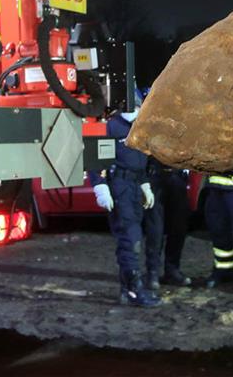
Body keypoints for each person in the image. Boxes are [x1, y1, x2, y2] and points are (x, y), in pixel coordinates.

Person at [90, 92, 161, 307]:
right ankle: (133, 290)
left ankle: (126, 289)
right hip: (119, 188)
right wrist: (100, 186)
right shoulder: (112, 127)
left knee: (131, 239)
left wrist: (144, 184)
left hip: (132, 188)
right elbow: (96, 159)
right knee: (130, 240)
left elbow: (140, 163)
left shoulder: (140, 127)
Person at [143, 156, 192, 289]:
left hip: (177, 175)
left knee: (178, 227)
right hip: (155, 175)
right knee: (155, 229)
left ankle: (172, 270)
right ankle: (152, 272)